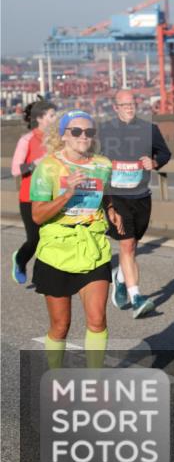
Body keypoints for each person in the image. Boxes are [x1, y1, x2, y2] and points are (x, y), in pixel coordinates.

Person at [30, 110, 123, 370]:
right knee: (61, 325)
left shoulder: (103, 164)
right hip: (57, 251)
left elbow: (104, 193)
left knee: (97, 320)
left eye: (89, 131)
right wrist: (67, 193)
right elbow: (37, 215)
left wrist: (112, 211)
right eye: (76, 131)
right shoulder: (47, 167)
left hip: (93, 247)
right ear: (63, 135)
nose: (84, 136)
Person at [98, 89, 172, 319]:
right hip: (115, 196)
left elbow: (165, 153)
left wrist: (155, 161)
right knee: (127, 246)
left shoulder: (149, 130)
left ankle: (120, 279)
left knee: (133, 245)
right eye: (124, 104)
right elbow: (91, 158)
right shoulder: (104, 130)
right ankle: (137, 296)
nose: (129, 107)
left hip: (141, 197)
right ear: (115, 107)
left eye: (132, 104)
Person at [10, 98, 58, 285]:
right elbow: (15, 170)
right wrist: (36, 163)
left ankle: (43, 276)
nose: (56, 118)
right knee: (35, 239)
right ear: (40, 118)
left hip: (52, 197)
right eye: (52, 115)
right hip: (30, 198)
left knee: (51, 238)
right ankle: (20, 260)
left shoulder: (58, 140)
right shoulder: (27, 140)